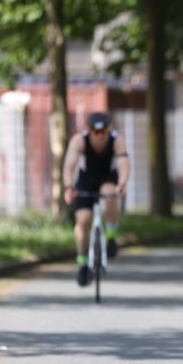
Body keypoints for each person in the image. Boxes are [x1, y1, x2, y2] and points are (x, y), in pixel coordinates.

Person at [62, 112, 130, 287]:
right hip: (86, 181)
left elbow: (123, 164)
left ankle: (111, 236)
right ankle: (83, 262)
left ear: (109, 130)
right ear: (89, 130)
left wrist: (122, 184)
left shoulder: (117, 140)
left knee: (109, 193)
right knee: (83, 220)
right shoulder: (79, 141)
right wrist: (69, 187)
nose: (100, 136)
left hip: (108, 177)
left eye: (104, 132)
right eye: (95, 132)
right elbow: (69, 165)